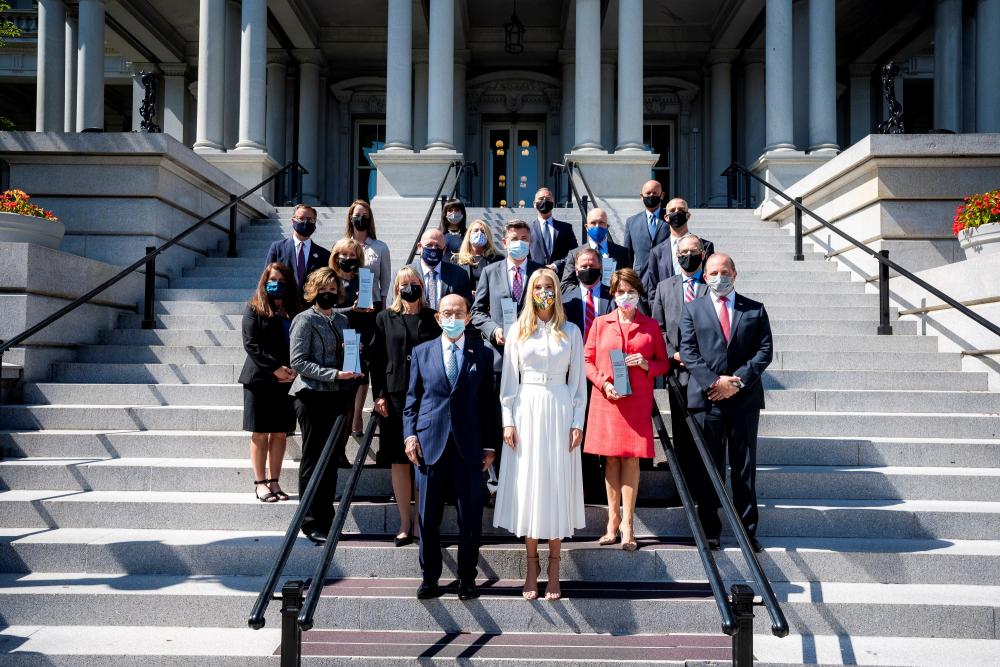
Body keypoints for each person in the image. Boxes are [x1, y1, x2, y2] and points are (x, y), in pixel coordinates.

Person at [494, 268, 587, 601]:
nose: (544, 292)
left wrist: (578, 421)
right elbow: (508, 382)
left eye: (549, 287)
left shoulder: (572, 331)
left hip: (561, 409)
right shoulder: (518, 330)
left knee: (556, 484)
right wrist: (508, 420)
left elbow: (578, 382)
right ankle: (532, 565)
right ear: (530, 292)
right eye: (539, 287)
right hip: (526, 408)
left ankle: (554, 567)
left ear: (557, 292)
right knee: (531, 485)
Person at [403, 294, 498, 601]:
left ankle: (467, 578)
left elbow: (488, 403)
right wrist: (410, 436)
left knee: (469, 517)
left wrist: (490, 446)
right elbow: (412, 402)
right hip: (430, 445)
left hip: (469, 447)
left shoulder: (482, 354)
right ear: (438, 318)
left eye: (459, 312)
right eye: (447, 312)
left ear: (468, 317)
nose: (453, 317)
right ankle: (429, 577)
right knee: (428, 517)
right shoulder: (421, 352)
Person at [679, 253, 773, 553]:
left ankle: (747, 531)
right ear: (704, 277)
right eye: (713, 272)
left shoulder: (755, 310)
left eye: (725, 271)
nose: (719, 277)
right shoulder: (693, 309)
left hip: (743, 400)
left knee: (744, 467)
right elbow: (688, 351)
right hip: (708, 400)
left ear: (735, 273)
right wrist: (714, 382)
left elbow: (764, 351)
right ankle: (710, 530)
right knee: (710, 466)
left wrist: (736, 382)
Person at [583, 268, 669, 551]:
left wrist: (646, 365)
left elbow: (663, 364)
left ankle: (628, 524)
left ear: (639, 293)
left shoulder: (651, 325)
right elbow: (587, 360)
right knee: (610, 460)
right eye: (620, 292)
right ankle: (612, 520)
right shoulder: (600, 323)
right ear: (613, 294)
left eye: (631, 291)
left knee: (631, 459)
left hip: (637, 400)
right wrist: (603, 383)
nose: (626, 296)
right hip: (608, 398)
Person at [288, 268, 363, 544]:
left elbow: (347, 354)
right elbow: (298, 362)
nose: (328, 293)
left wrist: (352, 358)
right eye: (323, 288)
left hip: (337, 396)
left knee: (331, 458)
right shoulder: (303, 320)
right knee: (313, 457)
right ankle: (309, 520)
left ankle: (327, 517)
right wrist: (333, 374)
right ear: (312, 290)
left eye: (333, 289)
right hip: (310, 395)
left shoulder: (342, 320)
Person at [471, 219, 543, 498]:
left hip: (533, 363)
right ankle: (498, 483)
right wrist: (494, 331)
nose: (520, 242)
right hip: (499, 360)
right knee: (500, 422)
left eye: (524, 238)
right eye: (514, 238)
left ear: (531, 242)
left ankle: (527, 484)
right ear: (504, 242)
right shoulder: (490, 272)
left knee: (527, 424)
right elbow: (477, 312)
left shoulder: (542, 273)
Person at [371, 267, 442, 547]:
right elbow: (376, 360)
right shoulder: (384, 318)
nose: (409, 287)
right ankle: (404, 520)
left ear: (422, 286)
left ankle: (421, 521)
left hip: (427, 397)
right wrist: (378, 395)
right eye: (404, 283)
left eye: (414, 282)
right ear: (396, 288)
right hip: (395, 396)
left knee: (422, 459)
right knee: (399, 460)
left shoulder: (433, 317)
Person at [650, 234, 710, 492]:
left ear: (703, 254)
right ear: (676, 256)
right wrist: (673, 353)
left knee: (708, 433)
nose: (688, 255)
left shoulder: (712, 285)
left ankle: (708, 490)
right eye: (683, 251)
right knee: (683, 433)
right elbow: (657, 328)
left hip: (707, 372)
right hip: (677, 371)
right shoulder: (665, 287)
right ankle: (684, 489)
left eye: (693, 250)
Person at [239, 262, 301, 503]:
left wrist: (292, 369)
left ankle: (274, 481)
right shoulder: (253, 307)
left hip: (287, 379)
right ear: (265, 282)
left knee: (279, 433)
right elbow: (251, 343)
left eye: (282, 281)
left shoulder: (294, 310)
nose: (277, 284)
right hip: (260, 379)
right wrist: (275, 368)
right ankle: (260, 483)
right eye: (272, 279)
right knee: (260, 432)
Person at [561, 248, 616, 503]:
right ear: (575, 268)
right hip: (573, 373)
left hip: (605, 374)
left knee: (605, 431)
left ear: (601, 267)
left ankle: (606, 486)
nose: (587, 268)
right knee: (578, 429)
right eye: (582, 265)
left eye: (592, 264)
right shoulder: (566, 298)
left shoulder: (613, 296)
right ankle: (583, 486)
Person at [329, 238, 376, 439]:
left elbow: (367, 310)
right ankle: (343, 429)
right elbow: (327, 310)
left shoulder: (363, 278)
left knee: (361, 377)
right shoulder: (330, 279)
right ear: (336, 256)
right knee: (346, 384)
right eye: (344, 254)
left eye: (352, 255)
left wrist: (368, 309)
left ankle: (356, 417)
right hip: (338, 337)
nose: (348, 258)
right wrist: (352, 308)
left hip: (360, 336)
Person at [643, 198, 715, 296]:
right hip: (669, 306)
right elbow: (653, 288)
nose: (676, 213)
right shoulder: (657, 252)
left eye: (681, 210)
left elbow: (711, 278)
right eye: (672, 211)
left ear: (688, 215)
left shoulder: (705, 246)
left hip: (698, 303)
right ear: (666, 217)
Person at [264, 204, 330, 297]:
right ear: (293, 221)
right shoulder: (277, 248)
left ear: (315, 222)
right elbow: (267, 279)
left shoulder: (324, 254)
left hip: (311, 307)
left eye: (310, 219)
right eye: (301, 218)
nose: (305, 222)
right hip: (284, 305)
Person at [558, 208, 631, 288]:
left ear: (607, 226)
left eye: (601, 223)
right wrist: (585, 294)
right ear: (586, 227)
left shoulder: (622, 253)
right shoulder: (574, 254)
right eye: (593, 223)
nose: (597, 226)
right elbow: (565, 285)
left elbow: (629, 281)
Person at [622, 180, 671, 287]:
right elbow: (628, 255)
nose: (651, 196)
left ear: (662, 195)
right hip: (640, 280)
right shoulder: (631, 222)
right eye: (648, 193)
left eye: (655, 193)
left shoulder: (670, 219)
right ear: (641, 196)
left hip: (666, 278)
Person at [345, 199, 392, 309]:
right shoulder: (341, 246)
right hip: (347, 305)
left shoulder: (381, 247)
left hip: (373, 305)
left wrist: (384, 313)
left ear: (370, 219)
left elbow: (386, 286)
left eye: (365, 215)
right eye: (357, 215)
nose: (361, 218)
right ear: (351, 218)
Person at [409, 228, 473, 308]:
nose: (433, 249)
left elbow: (466, 308)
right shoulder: (405, 274)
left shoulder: (459, 274)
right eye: (429, 245)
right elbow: (394, 309)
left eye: (437, 246)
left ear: (444, 250)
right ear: (419, 247)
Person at [451, 218, 501, 296]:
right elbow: (453, 285)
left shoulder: (497, 259)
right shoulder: (457, 259)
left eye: (483, 231)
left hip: (488, 304)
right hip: (465, 303)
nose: (479, 233)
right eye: (476, 230)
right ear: (469, 234)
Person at [529, 187, 576, 268]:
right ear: (534, 204)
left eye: (548, 198)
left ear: (553, 203)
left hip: (560, 276)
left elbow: (574, 253)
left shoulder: (566, 228)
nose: (544, 201)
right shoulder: (528, 229)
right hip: (535, 275)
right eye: (541, 198)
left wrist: (556, 265)